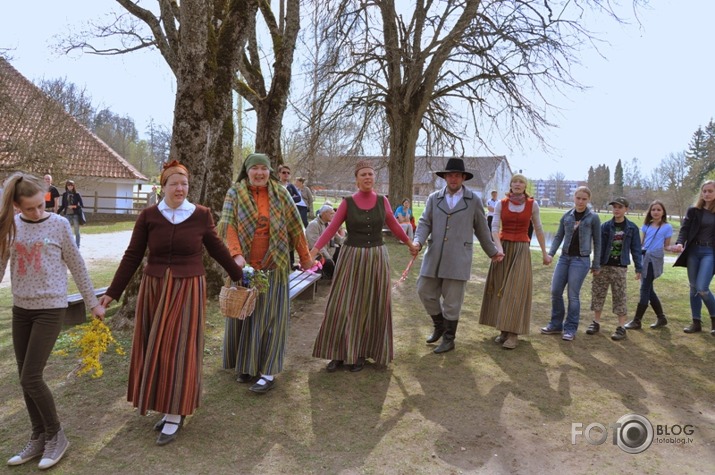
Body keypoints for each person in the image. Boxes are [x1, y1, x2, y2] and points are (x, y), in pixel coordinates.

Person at [98, 160, 243, 446]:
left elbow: (217, 250)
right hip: (154, 289)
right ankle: (165, 405)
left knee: (179, 348)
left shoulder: (201, 215)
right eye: (174, 183)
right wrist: (112, 292)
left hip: (188, 288)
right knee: (157, 348)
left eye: (184, 184)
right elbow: (132, 256)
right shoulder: (149, 216)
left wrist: (241, 275)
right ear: (162, 186)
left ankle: (176, 411)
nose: (180, 188)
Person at [1, 172, 105, 469]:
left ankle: (56, 435)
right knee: (25, 378)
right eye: (29, 208)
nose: (36, 212)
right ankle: (38, 437)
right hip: (21, 309)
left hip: (51, 309)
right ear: (17, 207)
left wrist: (93, 303)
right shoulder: (10, 227)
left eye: (40, 205)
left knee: (31, 376)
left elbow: (77, 265)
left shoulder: (59, 225)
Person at [309, 160, 419, 372]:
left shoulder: (382, 201)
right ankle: (338, 353)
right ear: (357, 179)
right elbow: (331, 228)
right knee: (342, 304)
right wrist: (313, 252)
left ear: (374, 178)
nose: (367, 177)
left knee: (370, 305)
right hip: (351, 257)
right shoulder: (347, 202)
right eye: (363, 175)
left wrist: (409, 244)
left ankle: (361, 353)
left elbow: (394, 225)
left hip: (376, 257)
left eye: (370, 174)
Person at [219, 153, 314, 393]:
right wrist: (236, 254)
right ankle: (246, 366)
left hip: (275, 264)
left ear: (269, 171)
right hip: (245, 267)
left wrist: (305, 257)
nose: (259, 173)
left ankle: (268, 372)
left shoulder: (280, 193)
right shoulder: (235, 193)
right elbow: (228, 225)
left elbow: (295, 226)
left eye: (263, 168)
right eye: (254, 168)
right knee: (246, 316)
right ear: (247, 170)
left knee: (272, 319)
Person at [412, 158, 502, 353]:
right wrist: (418, 241)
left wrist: (492, 251)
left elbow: (482, 229)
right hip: (434, 255)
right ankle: (439, 325)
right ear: (445, 177)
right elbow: (424, 222)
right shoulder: (434, 198)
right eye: (449, 175)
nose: (453, 179)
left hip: (458, 257)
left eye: (457, 175)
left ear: (463, 178)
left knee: (452, 302)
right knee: (424, 290)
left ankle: (449, 339)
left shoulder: (473, 200)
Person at [479, 174, 552, 349]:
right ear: (510, 185)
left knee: (516, 289)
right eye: (515, 182)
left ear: (525, 186)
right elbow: (494, 228)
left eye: (521, 182)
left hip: (521, 249)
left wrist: (544, 253)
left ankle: (513, 334)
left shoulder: (532, 204)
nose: (517, 184)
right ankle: (503, 329)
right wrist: (498, 248)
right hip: (503, 247)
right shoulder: (500, 204)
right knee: (500, 287)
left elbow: (539, 229)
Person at [540, 186, 601, 341]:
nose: (580, 201)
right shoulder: (567, 216)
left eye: (584, 199)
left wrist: (596, 264)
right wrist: (551, 254)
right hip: (564, 258)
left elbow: (598, 242)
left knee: (573, 295)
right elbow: (558, 236)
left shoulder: (593, 217)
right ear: (574, 198)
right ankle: (555, 324)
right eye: (578, 198)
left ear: (588, 200)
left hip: (581, 260)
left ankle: (570, 329)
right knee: (555, 291)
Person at [584, 197, 642, 341]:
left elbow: (636, 249)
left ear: (626, 209)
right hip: (603, 265)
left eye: (620, 207)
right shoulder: (605, 226)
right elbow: (598, 247)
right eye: (614, 207)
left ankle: (621, 327)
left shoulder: (632, 228)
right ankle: (596, 322)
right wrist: (595, 265)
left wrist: (638, 268)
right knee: (598, 293)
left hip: (619, 267)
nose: (616, 209)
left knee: (620, 296)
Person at [671, 180, 715, 336]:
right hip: (693, 251)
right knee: (693, 287)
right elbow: (684, 229)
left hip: (710, 252)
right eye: (704, 191)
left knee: (702, 288)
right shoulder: (694, 210)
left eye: (710, 191)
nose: (707, 194)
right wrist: (679, 243)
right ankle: (696, 322)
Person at [624, 200, 673, 330]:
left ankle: (637, 320)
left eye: (658, 210)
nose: (656, 212)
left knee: (644, 289)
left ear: (663, 212)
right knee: (649, 290)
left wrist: (676, 248)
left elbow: (667, 246)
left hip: (654, 260)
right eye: (653, 210)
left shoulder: (667, 227)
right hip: (644, 258)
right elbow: (642, 244)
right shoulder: (646, 226)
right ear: (650, 212)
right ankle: (661, 318)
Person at [305, 203, 345, 280]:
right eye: (331, 214)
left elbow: (338, 239)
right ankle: (332, 276)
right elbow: (316, 247)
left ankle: (337, 275)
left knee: (341, 252)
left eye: (333, 214)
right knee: (329, 262)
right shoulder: (314, 225)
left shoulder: (329, 224)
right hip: (317, 254)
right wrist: (329, 258)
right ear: (324, 214)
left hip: (329, 251)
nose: (333, 216)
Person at [57, 180, 84, 248]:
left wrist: (74, 206)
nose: (70, 186)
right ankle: (68, 245)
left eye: (71, 185)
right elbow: (63, 205)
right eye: (68, 185)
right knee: (67, 231)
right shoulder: (65, 194)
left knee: (76, 231)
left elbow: (81, 205)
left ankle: (77, 246)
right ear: (66, 186)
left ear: (73, 186)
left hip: (75, 214)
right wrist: (57, 212)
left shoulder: (77, 194)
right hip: (67, 214)